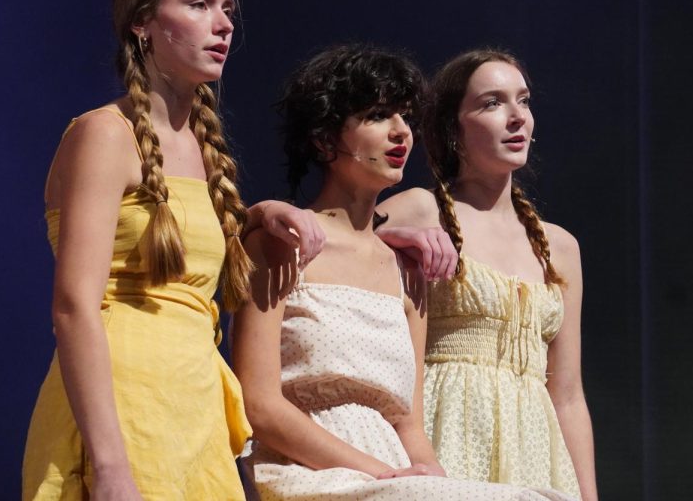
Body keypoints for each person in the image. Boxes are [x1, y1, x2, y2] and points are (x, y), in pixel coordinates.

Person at [22, 0, 324, 500]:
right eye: (199, 4)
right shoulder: (104, 134)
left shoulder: (200, 147)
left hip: (191, 405)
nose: (222, 25)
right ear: (143, 23)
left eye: (228, 9)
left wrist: (259, 214)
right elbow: (73, 306)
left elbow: (183, 239)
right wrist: (111, 467)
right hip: (122, 404)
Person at [232, 44, 573, 501]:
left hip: (394, 476)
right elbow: (261, 406)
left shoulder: (405, 268)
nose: (400, 133)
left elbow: (409, 422)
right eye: (377, 116)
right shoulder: (280, 243)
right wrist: (382, 474)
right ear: (323, 139)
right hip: (310, 468)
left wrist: (428, 472)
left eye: (406, 117)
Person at [376, 49, 598, 500]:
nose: (517, 117)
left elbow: (568, 394)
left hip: (538, 453)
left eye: (524, 100)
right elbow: (328, 239)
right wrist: (390, 239)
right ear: (453, 128)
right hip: (450, 433)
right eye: (493, 103)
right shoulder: (423, 209)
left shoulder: (560, 247)